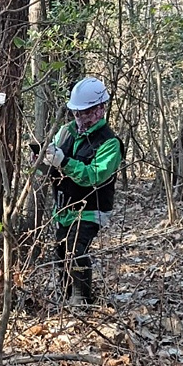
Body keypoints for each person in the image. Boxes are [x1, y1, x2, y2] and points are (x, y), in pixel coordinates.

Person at [38, 77, 123, 307]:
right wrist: (44, 159)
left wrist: (64, 162)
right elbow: (50, 161)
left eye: (84, 112)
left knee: (76, 251)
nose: (79, 117)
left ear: (99, 109)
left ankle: (80, 301)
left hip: (90, 209)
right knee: (61, 252)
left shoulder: (110, 143)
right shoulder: (66, 131)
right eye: (76, 112)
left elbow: (94, 176)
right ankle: (65, 298)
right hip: (63, 207)